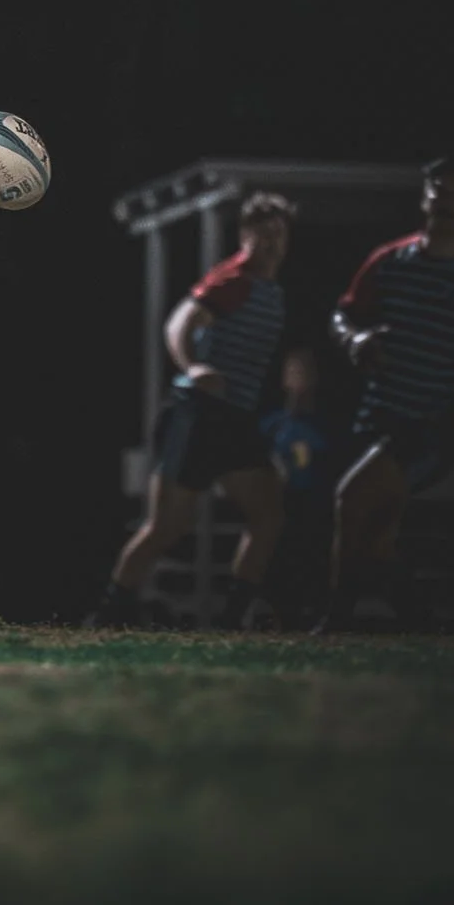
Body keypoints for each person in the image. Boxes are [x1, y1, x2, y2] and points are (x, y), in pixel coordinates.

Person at [88, 192, 314, 629]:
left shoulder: (273, 291)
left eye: (278, 234)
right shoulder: (233, 279)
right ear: (244, 235)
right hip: (199, 415)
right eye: (261, 234)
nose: (270, 243)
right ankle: (107, 614)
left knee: (268, 516)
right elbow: (178, 323)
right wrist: (194, 366)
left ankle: (232, 618)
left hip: (236, 419)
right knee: (166, 528)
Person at [317, 153, 454, 634]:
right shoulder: (390, 261)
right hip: (383, 413)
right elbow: (342, 315)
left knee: (352, 499)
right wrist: (354, 339)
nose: (443, 201)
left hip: (436, 424)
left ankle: (337, 622)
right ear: (422, 198)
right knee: (378, 537)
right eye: (436, 190)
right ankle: (423, 625)